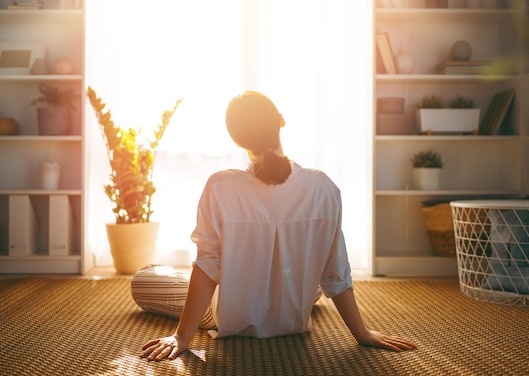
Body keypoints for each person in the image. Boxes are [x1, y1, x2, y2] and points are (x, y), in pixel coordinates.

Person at [135, 91, 416, 361]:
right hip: (293, 313)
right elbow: (335, 274)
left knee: (143, 279)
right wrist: (361, 333)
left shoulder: (221, 186)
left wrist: (182, 337)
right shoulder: (323, 188)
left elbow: (208, 266)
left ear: (236, 139)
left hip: (230, 318)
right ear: (280, 119)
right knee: (307, 281)